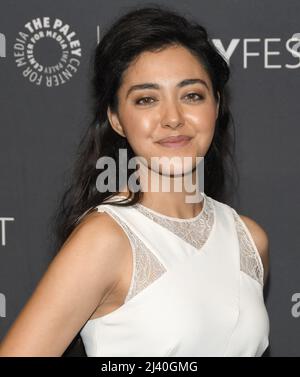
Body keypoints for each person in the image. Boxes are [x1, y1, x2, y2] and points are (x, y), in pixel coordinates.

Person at [0, 4, 270, 357]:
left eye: (191, 95)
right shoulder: (105, 239)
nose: (172, 118)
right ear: (116, 119)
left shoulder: (249, 239)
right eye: (146, 99)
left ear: (216, 106)